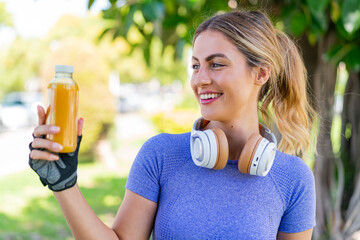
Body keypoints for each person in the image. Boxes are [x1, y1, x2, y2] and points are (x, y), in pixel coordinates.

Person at [29, 10, 316, 240]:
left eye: (216, 64)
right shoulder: (161, 155)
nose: (199, 79)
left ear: (261, 73)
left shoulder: (294, 179)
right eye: (195, 65)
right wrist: (65, 186)